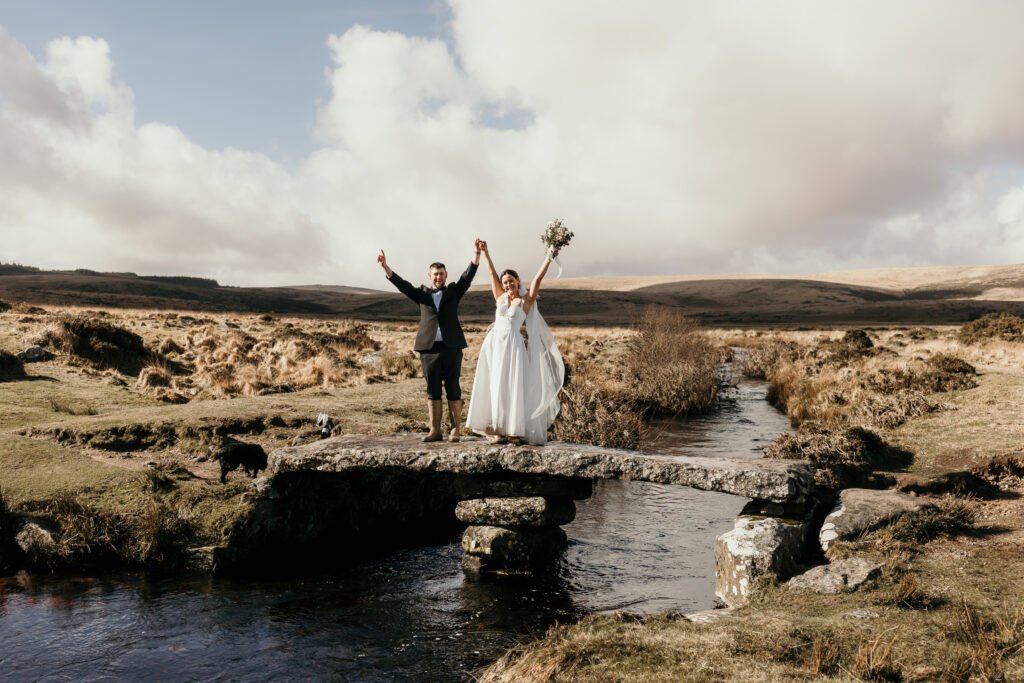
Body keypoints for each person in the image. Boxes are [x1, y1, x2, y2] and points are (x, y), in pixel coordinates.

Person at [377, 242, 480, 442]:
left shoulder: (453, 292)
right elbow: (403, 285)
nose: (438, 277)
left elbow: (467, 277)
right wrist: (385, 268)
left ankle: (455, 429)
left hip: (451, 347)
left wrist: (476, 255)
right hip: (429, 349)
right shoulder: (422, 294)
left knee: (453, 386)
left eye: (441, 273)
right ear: (429, 276)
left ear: (446, 275)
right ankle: (435, 430)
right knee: (432, 388)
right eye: (435, 274)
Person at [466, 240, 564, 445]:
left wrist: (549, 257)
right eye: (505, 282)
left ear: (517, 281)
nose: (508, 284)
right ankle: (498, 429)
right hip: (494, 345)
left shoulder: (525, 301)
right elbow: (492, 274)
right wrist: (485, 252)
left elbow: (538, 279)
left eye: (511, 281)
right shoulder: (500, 298)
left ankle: (514, 431)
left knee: (512, 385)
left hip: (513, 346)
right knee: (496, 385)